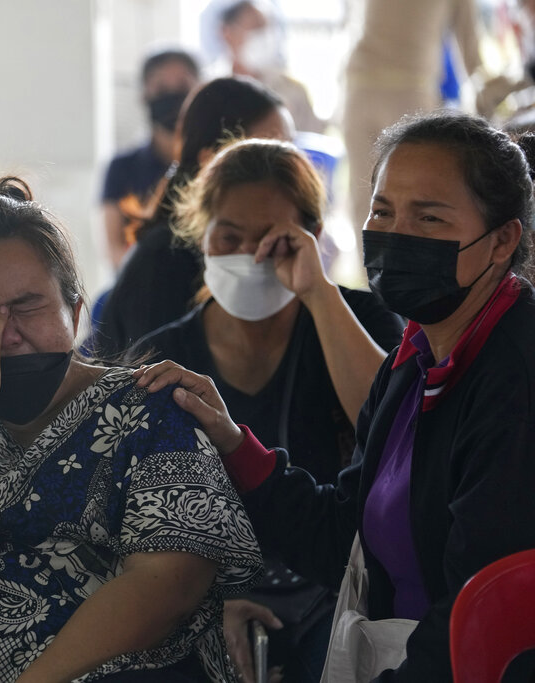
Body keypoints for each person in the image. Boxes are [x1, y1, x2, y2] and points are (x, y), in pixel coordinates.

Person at [136, 111, 535, 680]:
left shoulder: (513, 377)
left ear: (501, 240)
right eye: (383, 210)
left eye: (429, 217)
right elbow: (347, 538)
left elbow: (482, 602)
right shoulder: (417, 359)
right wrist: (233, 444)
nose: (397, 235)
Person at [0, 176, 262, 682]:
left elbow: (168, 585)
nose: (6, 334)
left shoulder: (152, 405)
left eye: (27, 306)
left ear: (76, 312)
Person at [129, 138, 404, 682]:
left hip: (339, 590)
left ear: (311, 238)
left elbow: (393, 435)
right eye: (229, 236)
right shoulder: (165, 358)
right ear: (200, 236)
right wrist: (211, 606)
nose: (252, 255)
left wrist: (319, 295)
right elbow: (140, 517)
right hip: (201, 593)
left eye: (273, 240)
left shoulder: (360, 320)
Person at [94, 76, 293, 358]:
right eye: (267, 155)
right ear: (212, 160)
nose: (290, 171)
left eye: (289, 152)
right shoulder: (166, 259)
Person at [342, 0, 481, 258]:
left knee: (368, 199)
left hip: (361, 87)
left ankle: (373, 282)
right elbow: (470, 50)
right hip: (406, 90)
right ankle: (398, 281)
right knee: (418, 199)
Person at [101, 48, 200, 270]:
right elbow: (114, 248)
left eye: (183, 87)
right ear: (144, 93)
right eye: (161, 88)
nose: (173, 96)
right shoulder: (122, 168)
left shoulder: (213, 164)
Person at [214, 0, 325, 134]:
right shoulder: (208, 87)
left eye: (267, 29)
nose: (265, 37)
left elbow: (314, 145)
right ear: (227, 33)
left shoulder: (294, 90)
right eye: (256, 29)